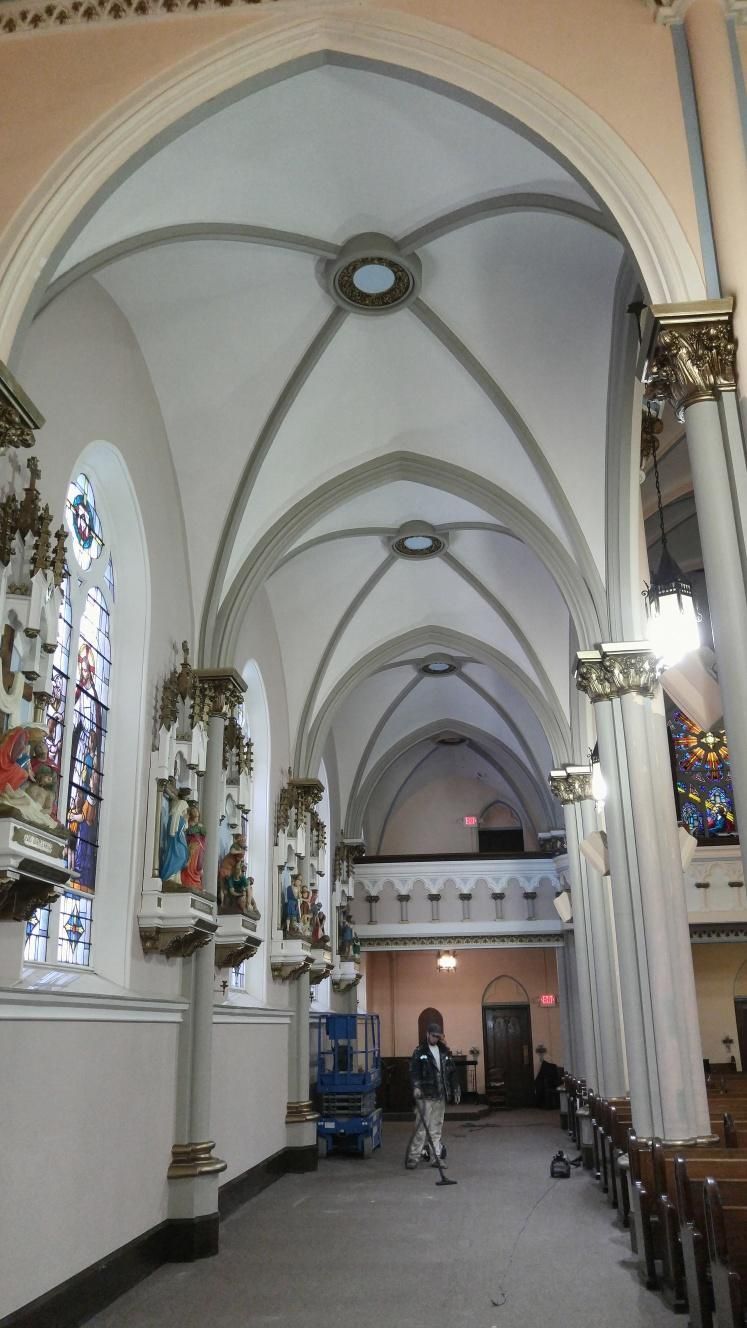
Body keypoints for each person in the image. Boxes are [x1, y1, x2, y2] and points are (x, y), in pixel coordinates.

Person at [405, 1023, 460, 1170]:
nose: (435, 1039)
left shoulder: (444, 1051)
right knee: (421, 1128)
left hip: (440, 1096)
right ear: (427, 1034)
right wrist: (416, 1086)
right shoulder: (420, 1051)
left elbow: (452, 1071)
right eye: (434, 1036)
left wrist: (455, 1088)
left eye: (438, 1037)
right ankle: (413, 1157)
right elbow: (414, 1071)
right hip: (425, 1096)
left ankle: (436, 1157)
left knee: (436, 1129)